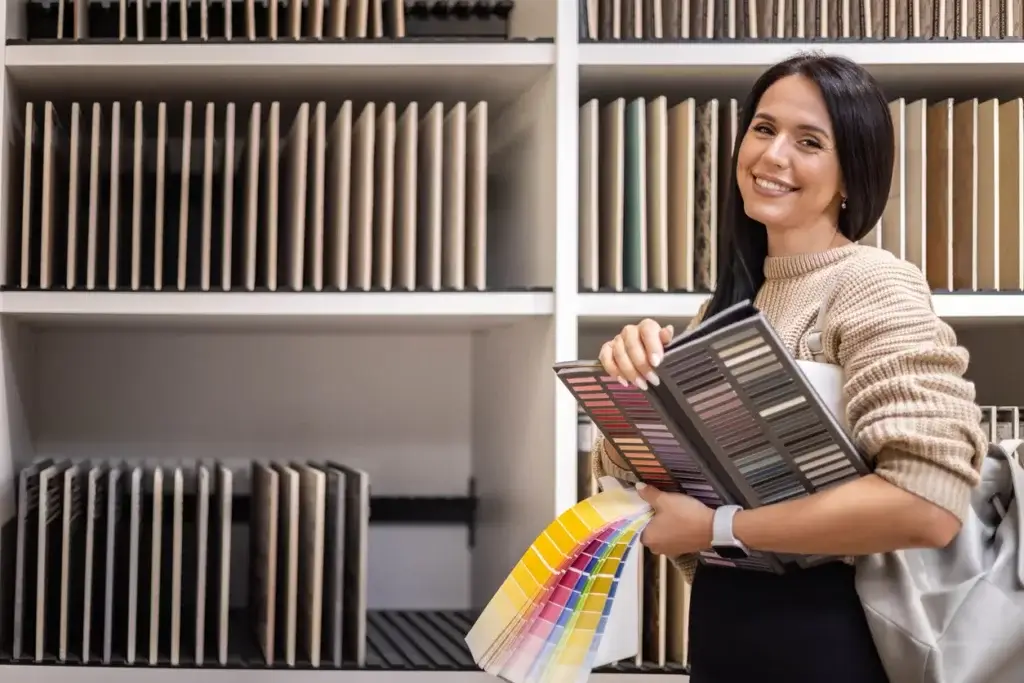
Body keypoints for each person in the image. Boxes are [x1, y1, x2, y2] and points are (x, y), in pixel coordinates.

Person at [591, 53, 989, 683]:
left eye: (809, 141)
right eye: (763, 128)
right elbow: (650, 488)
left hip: (832, 637)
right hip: (729, 629)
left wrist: (719, 526)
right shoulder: (725, 307)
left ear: (852, 176)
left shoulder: (873, 282)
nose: (773, 156)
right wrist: (629, 390)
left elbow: (927, 503)